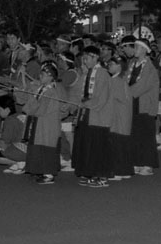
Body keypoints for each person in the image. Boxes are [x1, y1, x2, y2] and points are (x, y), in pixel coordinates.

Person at [73, 45, 113, 188]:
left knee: (98, 146)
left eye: (87, 58)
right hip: (87, 115)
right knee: (87, 145)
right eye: (83, 58)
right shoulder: (87, 73)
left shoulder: (102, 74)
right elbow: (80, 93)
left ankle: (102, 176)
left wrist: (86, 104)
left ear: (95, 57)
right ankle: (89, 172)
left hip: (98, 116)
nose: (84, 61)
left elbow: (101, 98)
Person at [23, 61, 66, 185]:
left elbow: (41, 109)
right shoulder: (41, 89)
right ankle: (39, 170)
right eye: (40, 74)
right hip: (40, 123)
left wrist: (30, 108)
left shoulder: (52, 92)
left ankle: (48, 174)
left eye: (43, 74)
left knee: (47, 147)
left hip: (48, 124)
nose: (40, 76)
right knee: (38, 145)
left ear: (51, 77)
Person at [126, 37, 160, 176]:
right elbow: (125, 80)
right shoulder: (132, 64)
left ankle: (147, 163)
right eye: (135, 46)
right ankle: (137, 161)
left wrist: (124, 92)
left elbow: (142, 86)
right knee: (134, 133)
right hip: (133, 103)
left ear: (145, 50)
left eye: (138, 47)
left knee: (146, 134)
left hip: (145, 105)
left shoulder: (150, 68)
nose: (135, 49)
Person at [106, 55, 134, 180]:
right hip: (122, 116)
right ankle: (125, 170)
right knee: (122, 144)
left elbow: (113, 98)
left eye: (112, 64)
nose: (109, 66)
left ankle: (119, 171)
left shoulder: (115, 81)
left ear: (119, 66)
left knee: (117, 143)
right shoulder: (120, 80)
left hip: (118, 117)